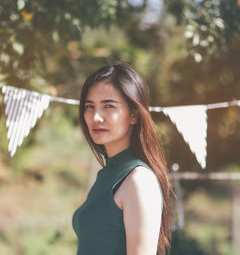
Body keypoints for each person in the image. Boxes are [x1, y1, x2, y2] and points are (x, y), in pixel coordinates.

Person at [72, 63, 172, 255]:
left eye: (108, 106)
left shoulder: (139, 180)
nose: (96, 117)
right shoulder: (108, 174)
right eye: (89, 106)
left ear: (134, 114)